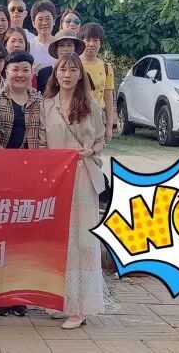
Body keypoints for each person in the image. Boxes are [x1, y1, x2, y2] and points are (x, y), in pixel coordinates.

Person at [41, 53, 106, 329]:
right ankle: (63, 299)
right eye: (62, 70)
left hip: (83, 176)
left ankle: (80, 306)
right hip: (57, 179)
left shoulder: (91, 105)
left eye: (72, 70)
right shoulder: (47, 106)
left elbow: (101, 140)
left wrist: (89, 151)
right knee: (60, 239)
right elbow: (43, 143)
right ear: (55, 74)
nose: (67, 75)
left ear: (81, 75)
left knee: (82, 240)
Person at [0, 50, 45, 317]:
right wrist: (5, 157)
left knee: (22, 235)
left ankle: (18, 294)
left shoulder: (41, 101)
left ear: (31, 73)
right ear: (6, 72)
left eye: (25, 70)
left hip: (29, 176)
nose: (20, 75)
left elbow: (46, 137)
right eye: (15, 69)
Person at [77, 23, 115, 144]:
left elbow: (108, 98)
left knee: (96, 152)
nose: (91, 44)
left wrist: (109, 127)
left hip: (97, 117)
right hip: (76, 115)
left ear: (100, 43)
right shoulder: (74, 64)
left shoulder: (106, 67)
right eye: (87, 40)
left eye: (95, 40)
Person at [27, 0, 57, 72]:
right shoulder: (28, 46)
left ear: (54, 21)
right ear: (33, 23)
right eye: (40, 19)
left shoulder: (60, 45)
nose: (44, 23)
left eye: (48, 19)